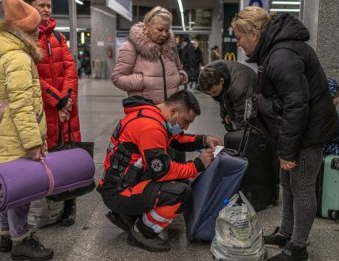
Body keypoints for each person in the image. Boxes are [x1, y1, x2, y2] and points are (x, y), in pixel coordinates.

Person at [231, 6, 339, 260]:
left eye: (239, 38)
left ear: (254, 32)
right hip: (297, 131)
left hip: (308, 134)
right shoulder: (275, 51)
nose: (240, 44)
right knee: (288, 185)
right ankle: (287, 233)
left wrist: (288, 151)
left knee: (301, 188)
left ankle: (297, 248)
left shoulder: (282, 56)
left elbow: (297, 106)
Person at [97, 90, 222, 252]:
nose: (185, 127)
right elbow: (162, 172)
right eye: (185, 121)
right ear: (173, 111)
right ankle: (142, 231)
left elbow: (176, 140)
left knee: (177, 173)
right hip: (119, 192)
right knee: (181, 192)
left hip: (122, 183)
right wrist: (198, 165)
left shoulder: (151, 114)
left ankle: (128, 215)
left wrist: (203, 140)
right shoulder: (150, 127)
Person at [0, 0, 53, 260]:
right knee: (20, 190)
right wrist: (33, 142)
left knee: (5, 184)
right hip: (18, 135)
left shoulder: (1, 51)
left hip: (5, 131)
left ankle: (5, 235)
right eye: (36, 27)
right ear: (25, 30)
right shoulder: (19, 57)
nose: (39, 31)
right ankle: (21, 240)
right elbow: (22, 104)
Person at [26, 0, 81, 227]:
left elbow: (70, 68)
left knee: (67, 156)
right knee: (47, 157)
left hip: (65, 110)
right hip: (45, 109)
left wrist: (67, 101)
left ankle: (69, 205)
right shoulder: (26, 39)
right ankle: (50, 205)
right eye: (41, 4)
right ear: (29, 7)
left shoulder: (58, 38)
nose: (47, 9)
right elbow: (30, 77)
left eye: (49, 5)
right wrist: (57, 101)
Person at [111, 6, 188, 105]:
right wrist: (143, 81)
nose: (164, 34)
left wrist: (179, 77)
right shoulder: (131, 46)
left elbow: (178, 68)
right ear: (147, 26)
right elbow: (117, 78)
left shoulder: (170, 46)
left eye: (167, 30)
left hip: (171, 109)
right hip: (146, 110)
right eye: (160, 30)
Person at [197, 60, 257, 131]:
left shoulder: (238, 87)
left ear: (222, 81)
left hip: (255, 97)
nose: (212, 95)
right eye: (209, 93)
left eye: (214, 92)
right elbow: (222, 98)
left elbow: (242, 118)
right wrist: (227, 115)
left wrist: (240, 138)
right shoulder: (210, 73)